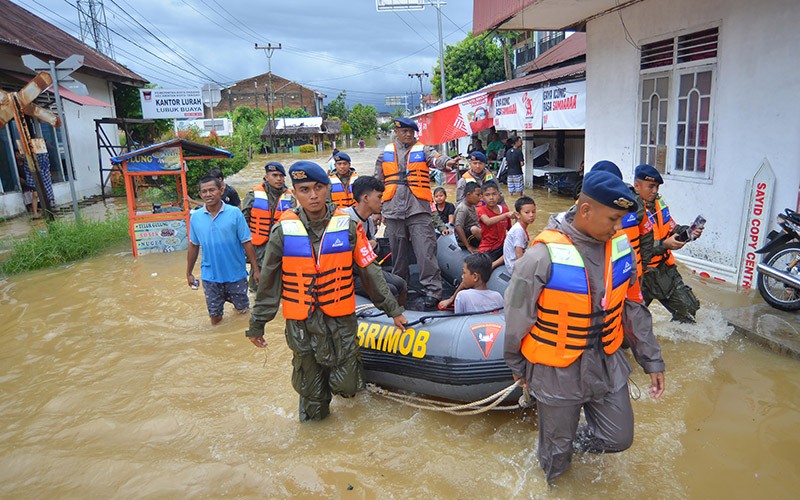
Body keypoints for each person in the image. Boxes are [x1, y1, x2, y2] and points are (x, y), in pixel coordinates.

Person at [504, 170, 665, 484]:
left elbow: (632, 309)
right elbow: (516, 315)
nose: (619, 227)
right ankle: (555, 465)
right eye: (614, 219)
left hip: (605, 361)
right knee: (556, 461)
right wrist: (517, 364)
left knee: (619, 437)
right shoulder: (540, 256)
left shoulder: (620, 249)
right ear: (586, 210)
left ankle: (558, 441)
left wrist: (651, 359)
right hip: (556, 369)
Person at [246, 161, 408, 422]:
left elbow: (370, 271)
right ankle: (316, 434)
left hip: (341, 319)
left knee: (347, 385)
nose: (313, 196)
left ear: (327, 189)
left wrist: (393, 310)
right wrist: (257, 324)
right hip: (302, 323)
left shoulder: (347, 226)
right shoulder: (283, 231)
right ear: (295, 193)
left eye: (319, 188)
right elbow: (268, 283)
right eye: (305, 189)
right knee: (312, 396)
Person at [374, 117, 459, 310]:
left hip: (418, 209)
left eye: (411, 132)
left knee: (425, 252)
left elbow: (437, 159)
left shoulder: (424, 150)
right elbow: (377, 184)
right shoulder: (384, 154)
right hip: (393, 210)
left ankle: (432, 291)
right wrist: (376, 211)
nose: (408, 135)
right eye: (404, 131)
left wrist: (448, 162)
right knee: (398, 255)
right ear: (396, 132)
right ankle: (398, 287)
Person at [633, 164, 703, 323]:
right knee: (628, 326)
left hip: (664, 270)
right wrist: (664, 245)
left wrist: (689, 232)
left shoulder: (658, 204)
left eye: (657, 187)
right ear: (637, 185)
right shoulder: (630, 212)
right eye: (651, 186)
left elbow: (672, 227)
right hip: (641, 275)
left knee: (688, 311)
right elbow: (636, 247)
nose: (655, 191)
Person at [187, 175, 258, 325]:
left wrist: (256, 269)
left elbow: (247, 242)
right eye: (204, 191)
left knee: (243, 313)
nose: (208, 194)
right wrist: (189, 273)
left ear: (221, 190)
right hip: (210, 277)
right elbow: (193, 245)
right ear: (200, 195)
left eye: (212, 190)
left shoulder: (235, 213)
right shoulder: (196, 217)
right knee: (215, 318)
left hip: (236, 275)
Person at [346, 175, 408, 305]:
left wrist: (374, 244)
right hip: (350, 275)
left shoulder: (368, 221)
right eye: (379, 197)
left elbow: (373, 248)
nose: (382, 201)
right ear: (366, 198)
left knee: (401, 284)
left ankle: (403, 316)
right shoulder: (345, 219)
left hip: (365, 269)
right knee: (390, 290)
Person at [241, 161, 295, 291]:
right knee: (256, 282)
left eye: (281, 176)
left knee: (280, 280)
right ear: (266, 177)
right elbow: (244, 221)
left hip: (280, 245)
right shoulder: (253, 194)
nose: (279, 179)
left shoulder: (290, 197)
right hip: (258, 246)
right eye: (275, 175)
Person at [439, 253, 504, 313]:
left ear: (475, 277)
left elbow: (459, 320)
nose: (462, 276)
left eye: (464, 273)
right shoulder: (498, 297)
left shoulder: (462, 296)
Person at [477, 181, 514, 268]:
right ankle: (493, 265)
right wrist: (505, 215)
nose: (491, 197)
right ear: (482, 197)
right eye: (487, 195)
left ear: (499, 195)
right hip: (488, 248)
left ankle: (494, 264)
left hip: (502, 247)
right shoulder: (481, 210)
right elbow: (488, 222)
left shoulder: (504, 209)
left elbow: (510, 229)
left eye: (494, 194)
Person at [503, 196, 536, 274]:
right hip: (514, 267)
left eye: (533, 212)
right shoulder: (518, 230)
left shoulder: (520, 227)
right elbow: (519, 254)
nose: (531, 215)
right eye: (527, 212)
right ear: (518, 214)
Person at [453, 182, 482, 253]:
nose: (480, 198)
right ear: (468, 195)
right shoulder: (463, 209)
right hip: (466, 238)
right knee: (474, 229)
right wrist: (468, 246)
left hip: (472, 234)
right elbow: (458, 227)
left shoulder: (472, 205)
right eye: (477, 195)